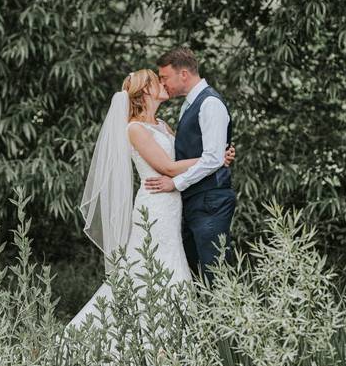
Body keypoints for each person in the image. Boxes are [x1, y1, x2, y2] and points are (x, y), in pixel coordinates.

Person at [67, 68, 234, 330]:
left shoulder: (162, 125)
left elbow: (181, 161)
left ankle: (168, 331)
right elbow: (168, 167)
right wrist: (213, 159)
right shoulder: (135, 128)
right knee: (149, 265)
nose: (162, 83)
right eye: (157, 81)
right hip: (154, 205)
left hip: (171, 203)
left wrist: (216, 154)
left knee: (172, 261)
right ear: (145, 91)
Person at [144, 47, 236, 283]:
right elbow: (209, 155)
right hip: (196, 199)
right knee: (196, 272)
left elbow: (213, 159)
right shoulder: (190, 104)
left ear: (183, 74)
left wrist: (175, 183)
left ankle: (222, 318)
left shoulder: (210, 104)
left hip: (210, 200)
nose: (163, 84)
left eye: (164, 78)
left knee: (214, 271)